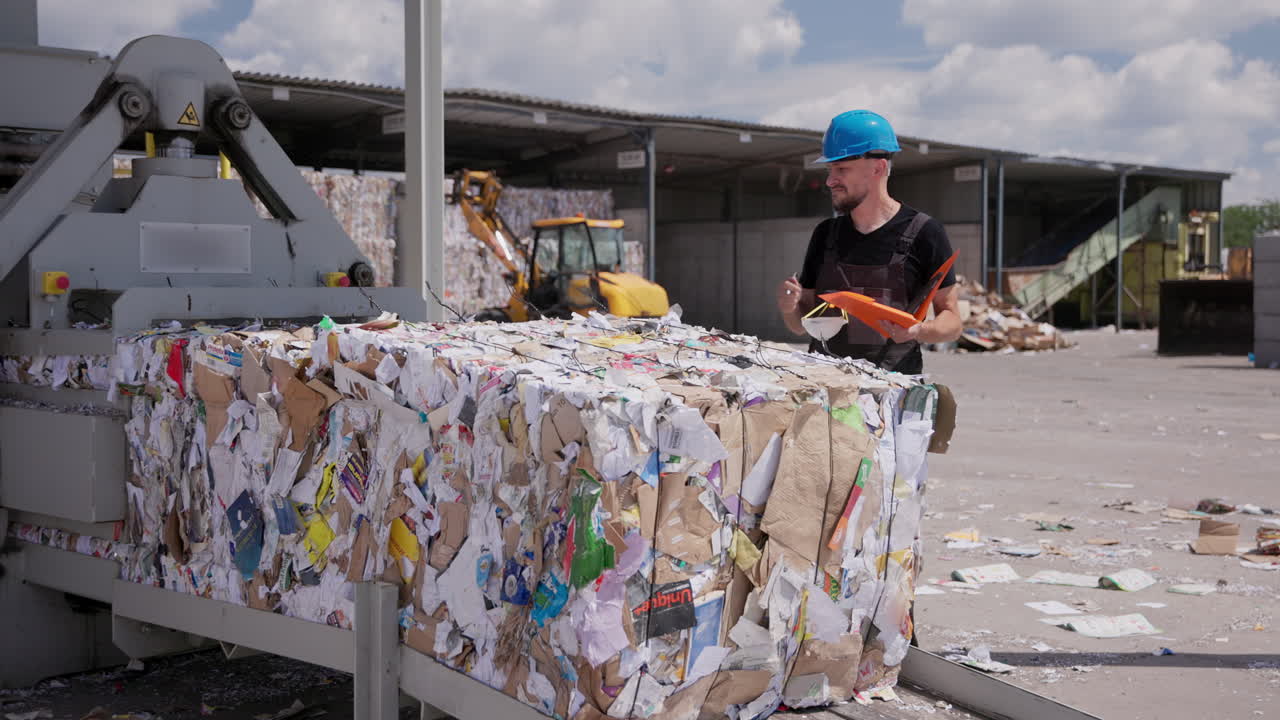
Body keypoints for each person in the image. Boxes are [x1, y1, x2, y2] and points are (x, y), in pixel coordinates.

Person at [777, 110, 962, 373]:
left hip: (892, 394)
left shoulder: (925, 233)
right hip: (828, 390)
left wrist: (919, 330)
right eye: (830, 169)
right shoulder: (825, 234)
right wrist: (788, 309)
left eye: (841, 168)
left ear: (878, 167)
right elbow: (800, 325)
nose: (830, 180)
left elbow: (953, 322)